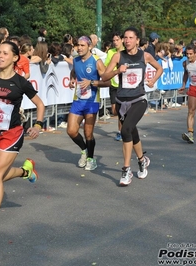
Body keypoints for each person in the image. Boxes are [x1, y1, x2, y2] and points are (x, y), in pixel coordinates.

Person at [0, 41, 45, 237]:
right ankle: (25, 171)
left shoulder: (21, 82)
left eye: (5, 53)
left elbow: (40, 105)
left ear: (15, 58)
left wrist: (37, 125)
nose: (0, 56)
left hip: (12, 133)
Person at [101, 26, 163, 186]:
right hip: (122, 101)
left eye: (130, 38)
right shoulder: (117, 56)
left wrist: (153, 80)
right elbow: (104, 76)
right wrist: (117, 71)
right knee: (132, 131)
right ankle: (142, 160)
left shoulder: (145, 55)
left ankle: (126, 169)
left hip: (139, 99)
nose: (127, 41)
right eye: (125, 38)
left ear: (137, 40)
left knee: (125, 130)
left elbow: (160, 68)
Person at [67, 36, 110, 171]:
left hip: (92, 101)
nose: (79, 48)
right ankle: (84, 150)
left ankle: (91, 159)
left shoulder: (97, 62)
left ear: (89, 46)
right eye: (77, 45)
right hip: (78, 100)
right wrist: (72, 80)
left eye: (82, 45)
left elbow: (107, 82)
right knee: (71, 131)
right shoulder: (76, 60)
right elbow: (73, 72)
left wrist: (91, 82)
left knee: (88, 133)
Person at [105, 32, 125, 141]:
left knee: (122, 110)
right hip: (113, 84)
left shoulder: (126, 52)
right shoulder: (111, 52)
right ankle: (123, 126)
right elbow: (106, 65)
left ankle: (120, 131)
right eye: (114, 40)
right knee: (115, 111)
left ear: (122, 40)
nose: (115, 42)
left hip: (123, 85)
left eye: (117, 40)